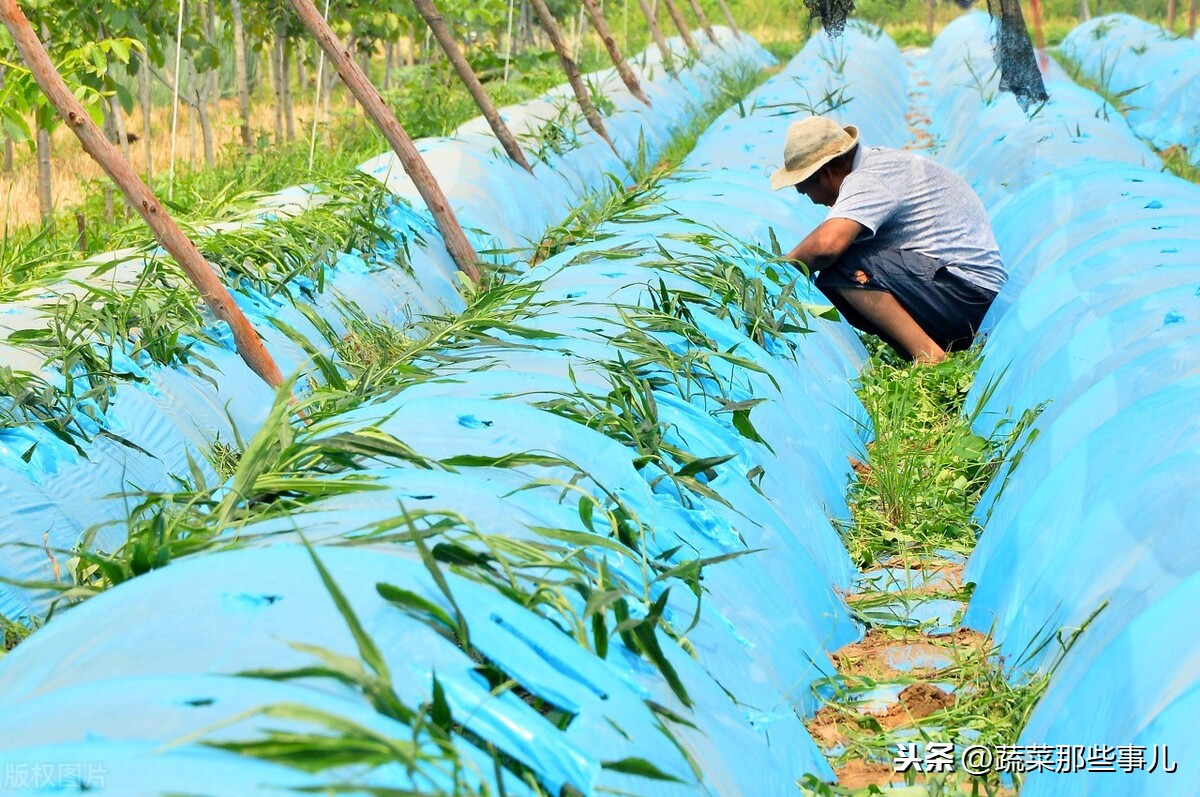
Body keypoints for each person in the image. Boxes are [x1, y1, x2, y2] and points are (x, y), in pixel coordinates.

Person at [772, 116, 1006, 364]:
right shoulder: (877, 168)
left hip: (969, 296)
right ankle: (926, 352)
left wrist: (778, 270)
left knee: (841, 263)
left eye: (805, 190)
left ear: (826, 172)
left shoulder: (869, 178)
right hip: (965, 295)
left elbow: (827, 246)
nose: (813, 200)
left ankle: (930, 358)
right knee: (839, 275)